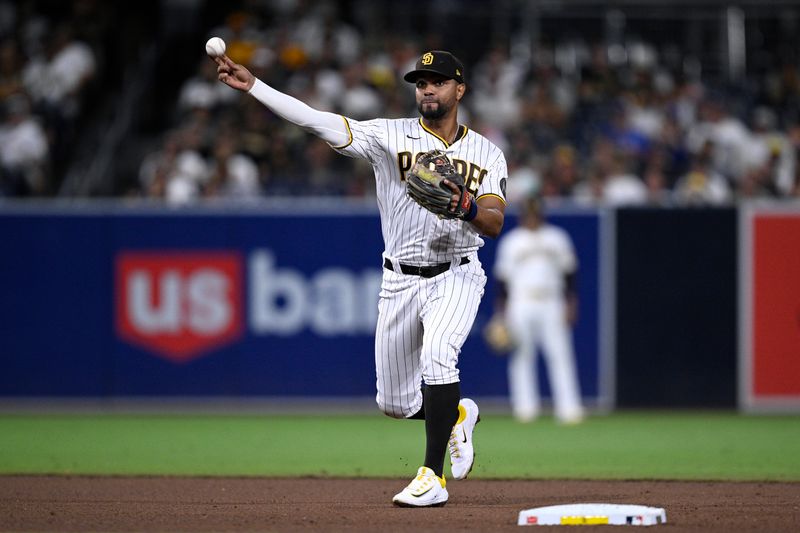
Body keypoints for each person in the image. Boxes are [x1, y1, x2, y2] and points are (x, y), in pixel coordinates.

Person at [213, 49, 507, 507]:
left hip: (456, 273)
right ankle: (456, 415)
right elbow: (316, 121)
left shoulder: (487, 152)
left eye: (438, 81)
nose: (427, 88)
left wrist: (465, 206)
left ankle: (432, 476)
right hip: (399, 280)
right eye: (421, 81)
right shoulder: (388, 136)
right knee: (393, 403)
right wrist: (256, 87)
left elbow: (492, 221)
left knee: (438, 357)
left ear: (459, 89)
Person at [492, 195, 584, 424]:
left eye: (535, 213)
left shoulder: (557, 238)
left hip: (552, 300)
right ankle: (525, 408)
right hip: (520, 301)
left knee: (560, 354)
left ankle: (569, 408)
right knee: (522, 355)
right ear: (523, 215)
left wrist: (571, 304)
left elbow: (570, 274)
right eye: (528, 213)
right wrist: (500, 314)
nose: (532, 217)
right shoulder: (512, 241)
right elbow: (502, 282)